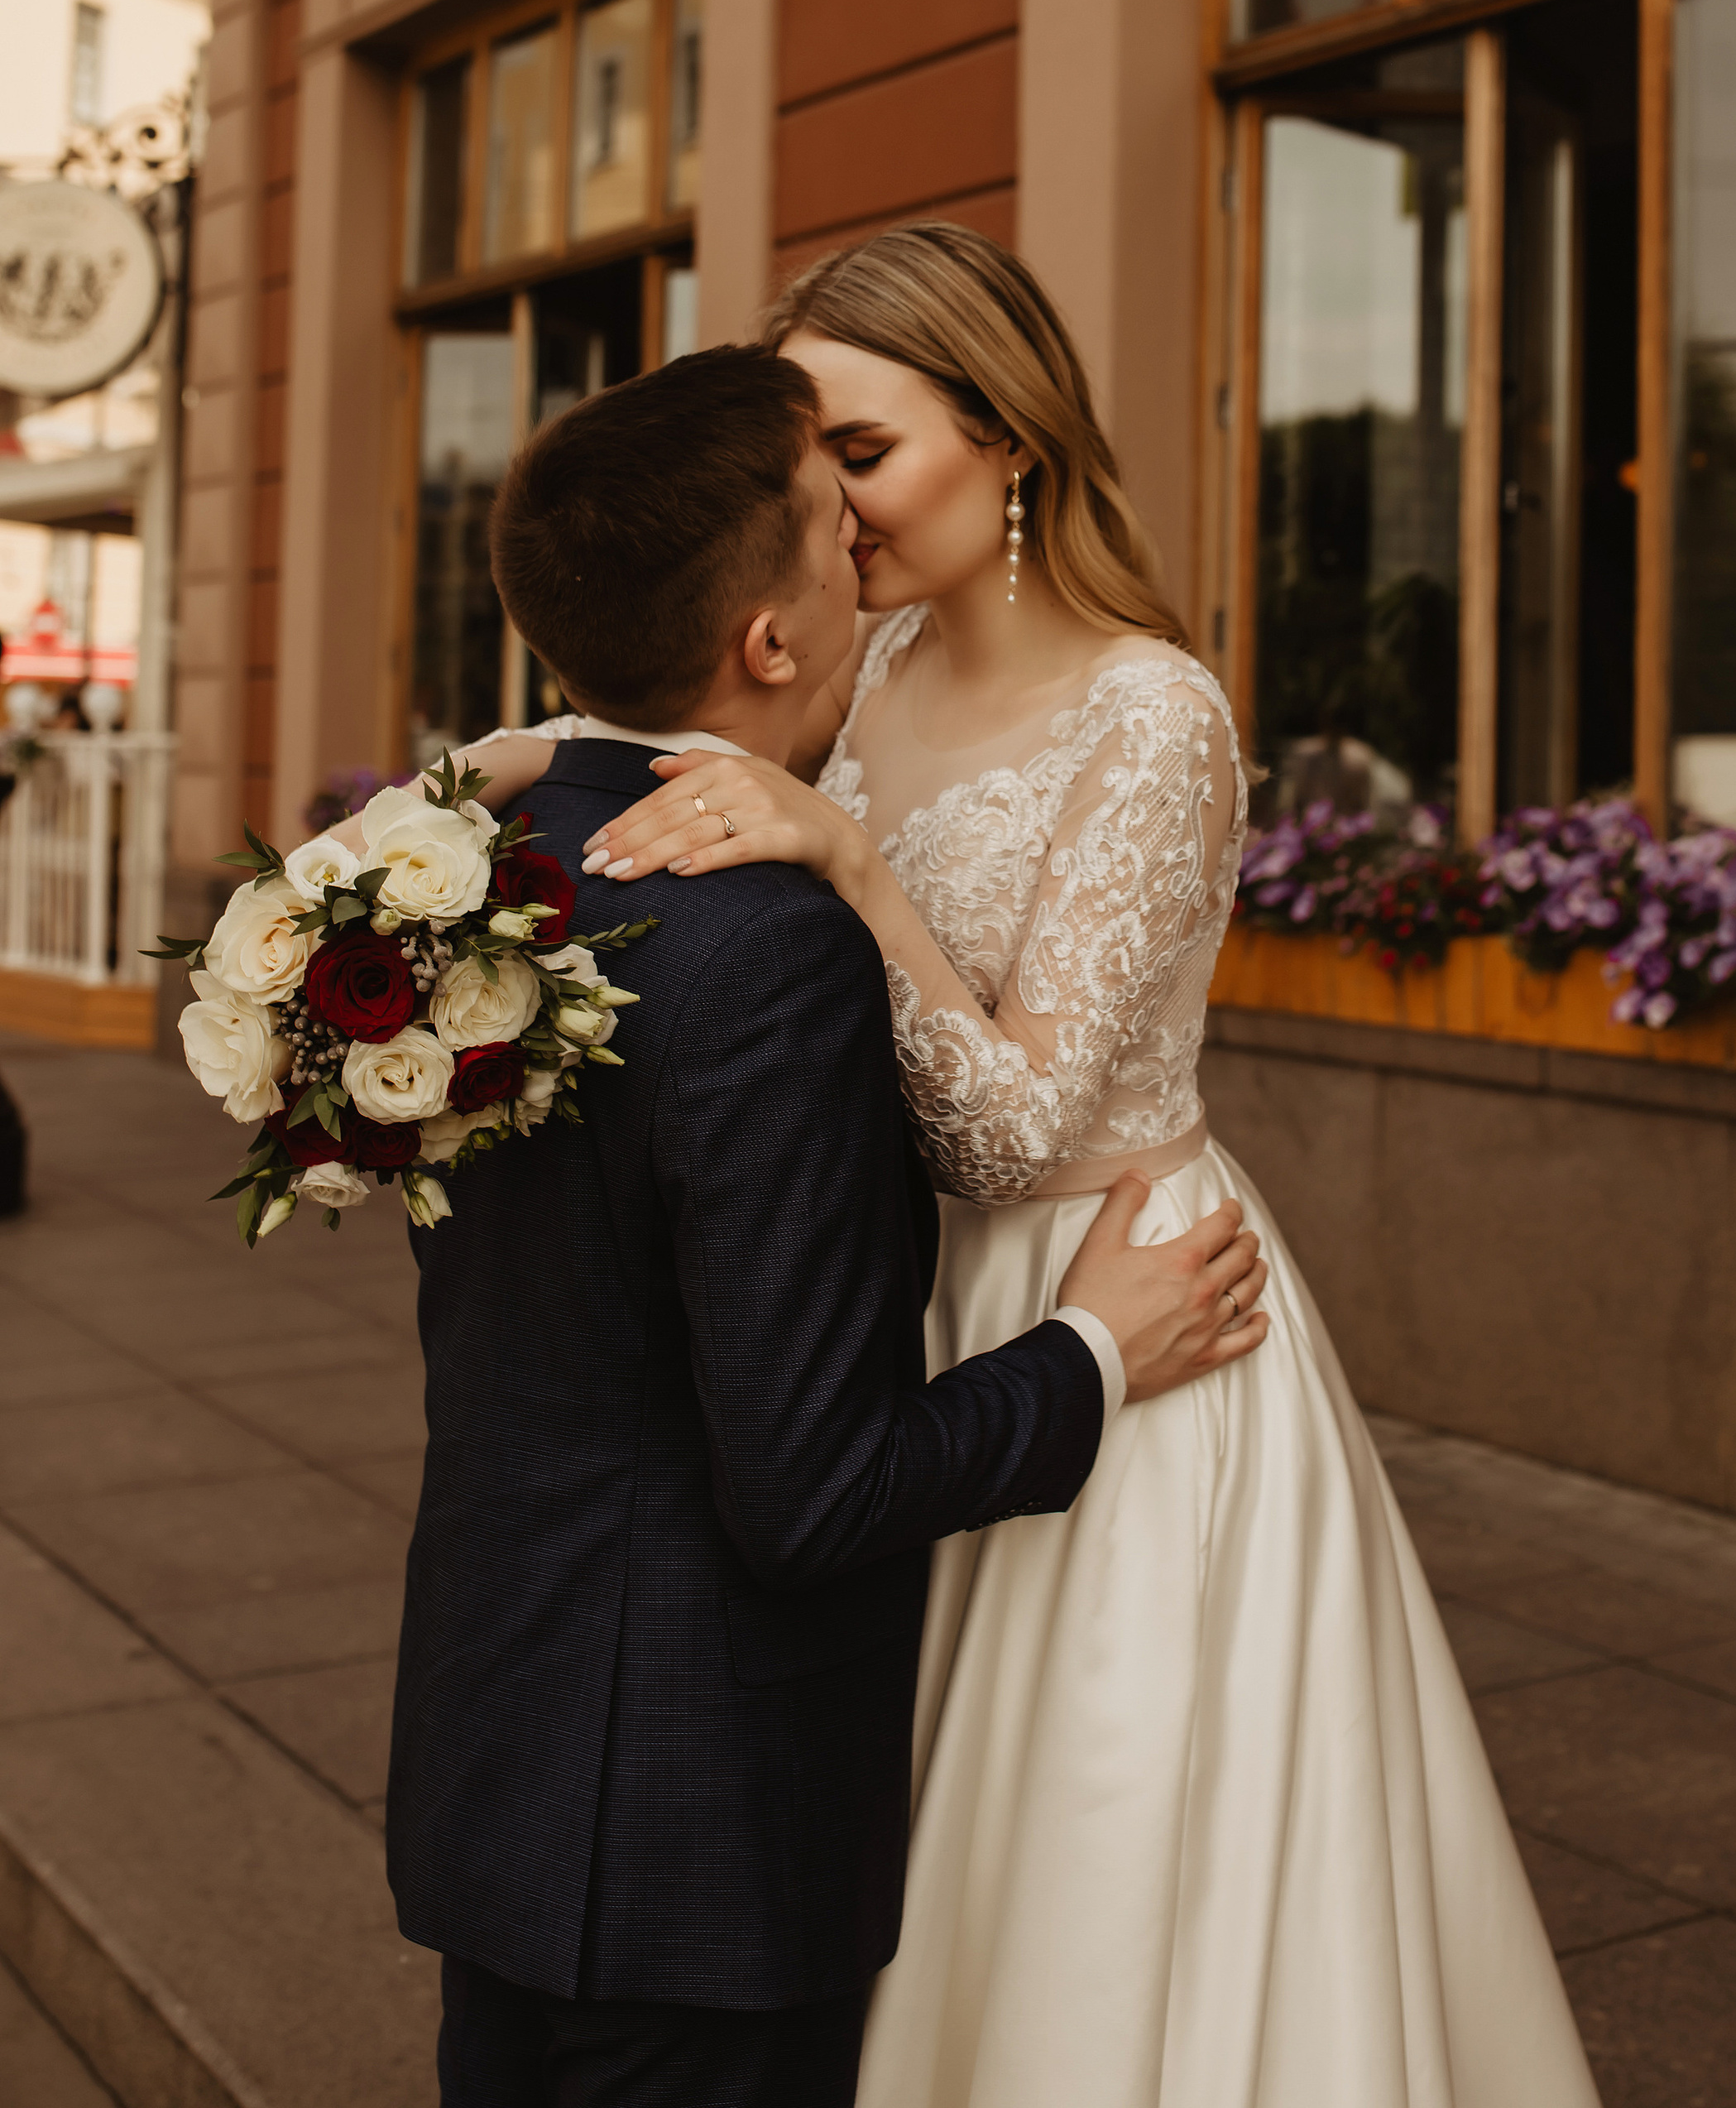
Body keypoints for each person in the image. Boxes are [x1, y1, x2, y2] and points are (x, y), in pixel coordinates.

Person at [473, 227, 1599, 2108]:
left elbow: (1015, 1127)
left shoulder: (1154, 714)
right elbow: (707, 750)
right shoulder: (868, 656)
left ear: (1006, 440)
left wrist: (844, 868)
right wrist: (540, 759)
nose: (822, 510)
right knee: (898, 1819)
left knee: (1099, 1834)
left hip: (1118, 1298)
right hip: (912, 1306)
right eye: (802, 460)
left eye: (861, 451)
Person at [391, 343, 1269, 2108]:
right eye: (827, 503)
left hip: (507, 1723)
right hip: (694, 1803)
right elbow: (812, 1490)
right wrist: (1099, 1350)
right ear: (770, 643)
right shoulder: (769, 944)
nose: (857, 539)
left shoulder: (452, 867)